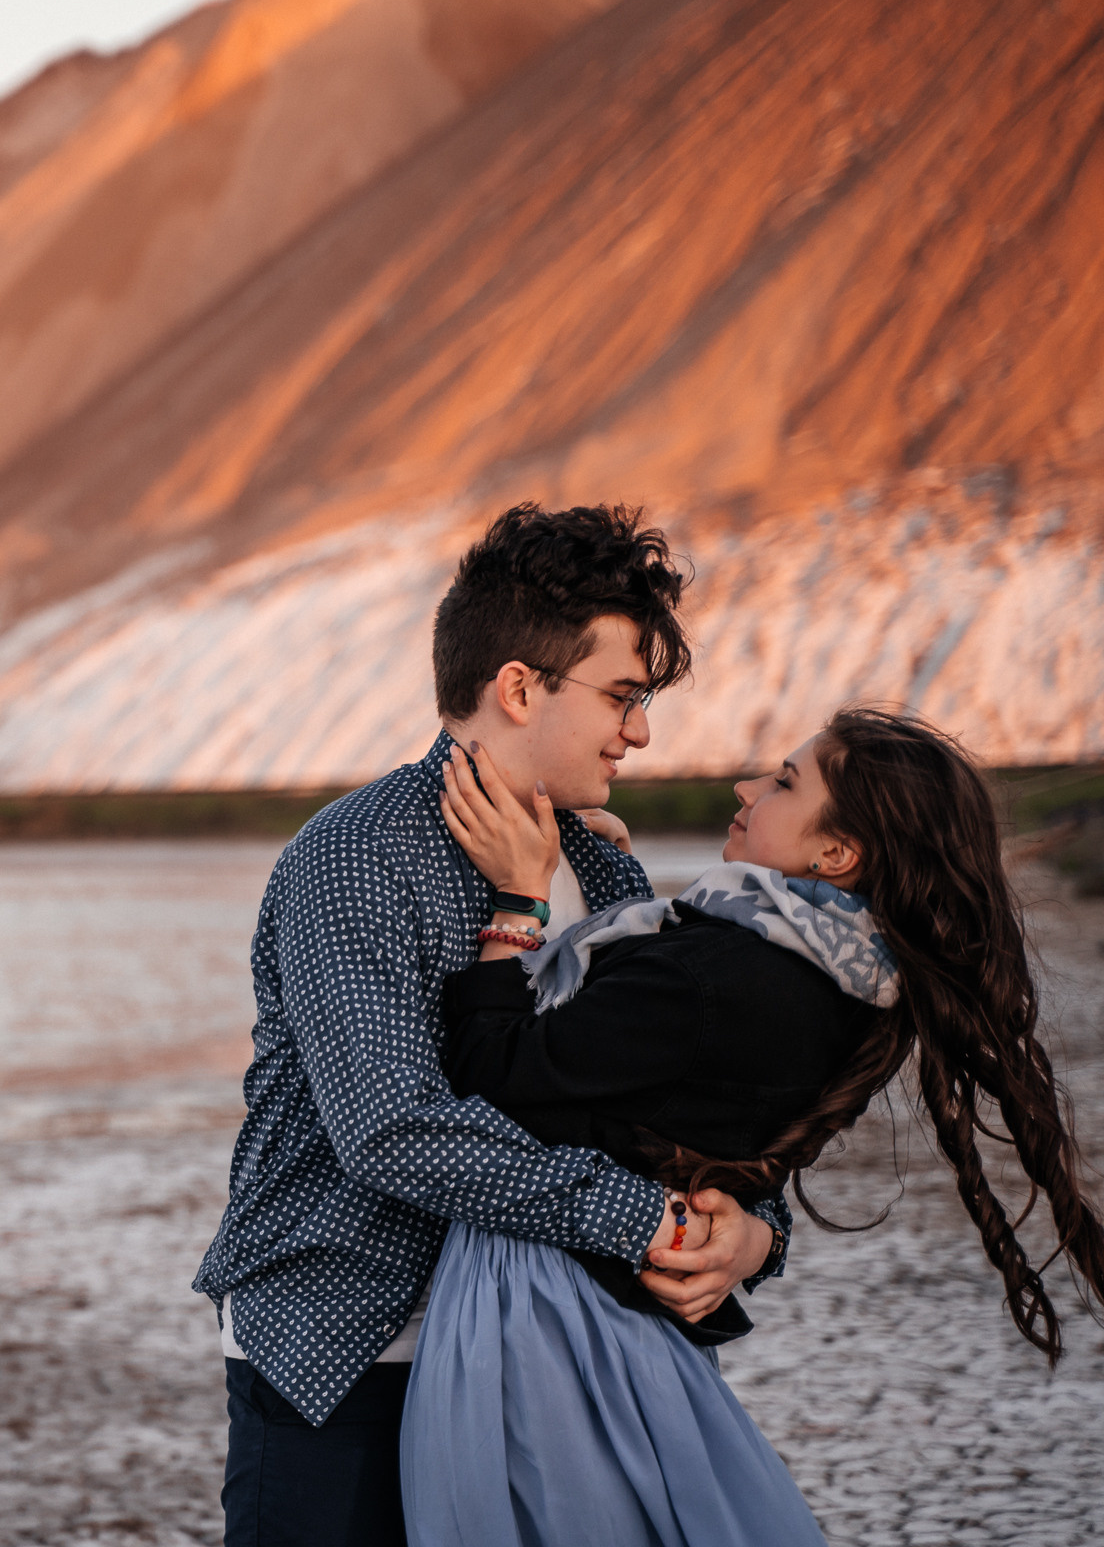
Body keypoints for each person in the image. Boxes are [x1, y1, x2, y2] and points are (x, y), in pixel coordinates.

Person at [193, 503, 783, 1547]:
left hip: (549, 1351)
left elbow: (668, 1100)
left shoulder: (601, 863)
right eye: (620, 696)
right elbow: (392, 1129)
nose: (639, 731)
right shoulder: (355, 858)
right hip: (350, 1356)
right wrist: (635, 1219)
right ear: (519, 687)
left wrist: (747, 1233)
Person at [401, 706, 1104, 1546]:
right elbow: (649, 1088)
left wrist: (521, 901)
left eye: (783, 782)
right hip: (626, 1318)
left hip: (544, 1315)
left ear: (834, 855)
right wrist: (603, 883)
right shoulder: (847, 984)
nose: (745, 787)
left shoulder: (722, 974)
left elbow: (487, 1083)